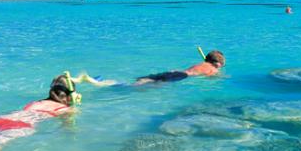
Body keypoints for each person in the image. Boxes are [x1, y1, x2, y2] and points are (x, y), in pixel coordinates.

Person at [81, 50, 226, 87]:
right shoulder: (213, 69)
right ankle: (100, 83)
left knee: (142, 81)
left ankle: (102, 81)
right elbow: (214, 77)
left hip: (175, 72)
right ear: (218, 64)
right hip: (179, 77)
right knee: (132, 88)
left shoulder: (201, 64)